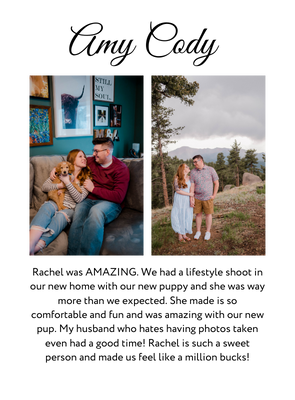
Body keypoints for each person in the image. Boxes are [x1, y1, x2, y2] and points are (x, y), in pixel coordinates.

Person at [64, 137, 130, 258]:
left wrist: (93, 189)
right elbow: (71, 163)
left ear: (107, 152)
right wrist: (55, 169)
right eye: (93, 150)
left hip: (110, 203)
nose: (93, 154)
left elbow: (119, 196)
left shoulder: (121, 169)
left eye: (96, 151)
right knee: (78, 215)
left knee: (96, 212)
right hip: (88, 200)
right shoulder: (91, 161)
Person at [27, 150, 90, 258]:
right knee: (47, 207)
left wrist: (67, 182)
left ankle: (34, 248)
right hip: (55, 201)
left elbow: (79, 199)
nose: (84, 158)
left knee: (60, 218)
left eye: (84, 156)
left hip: (69, 208)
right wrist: (60, 185)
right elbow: (45, 187)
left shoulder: (86, 179)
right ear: (72, 160)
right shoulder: (59, 171)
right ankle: (29, 244)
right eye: (80, 156)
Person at [189, 155, 219, 241]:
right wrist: (192, 197)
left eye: (196, 161)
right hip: (197, 197)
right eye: (193, 162)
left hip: (208, 197)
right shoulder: (193, 172)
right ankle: (198, 231)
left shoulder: (210, 169)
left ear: (201, 160)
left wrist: (214, 195)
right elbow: (192, 186)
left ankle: (208, 232)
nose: (194, 164)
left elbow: (216, 183)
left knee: (208, 214)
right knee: (198, 214)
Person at [171, 164, 194, 242]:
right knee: (179, 215)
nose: (189, 167)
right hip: (180, 199)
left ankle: (184, 234)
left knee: (186, 215)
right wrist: (189, 194)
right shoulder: (177, 178)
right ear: (183, 169)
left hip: (187, 200)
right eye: (187, 167)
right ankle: (180, 235)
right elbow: (177, 190)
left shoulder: (190, 178)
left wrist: (191, 198)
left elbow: (191, 189)